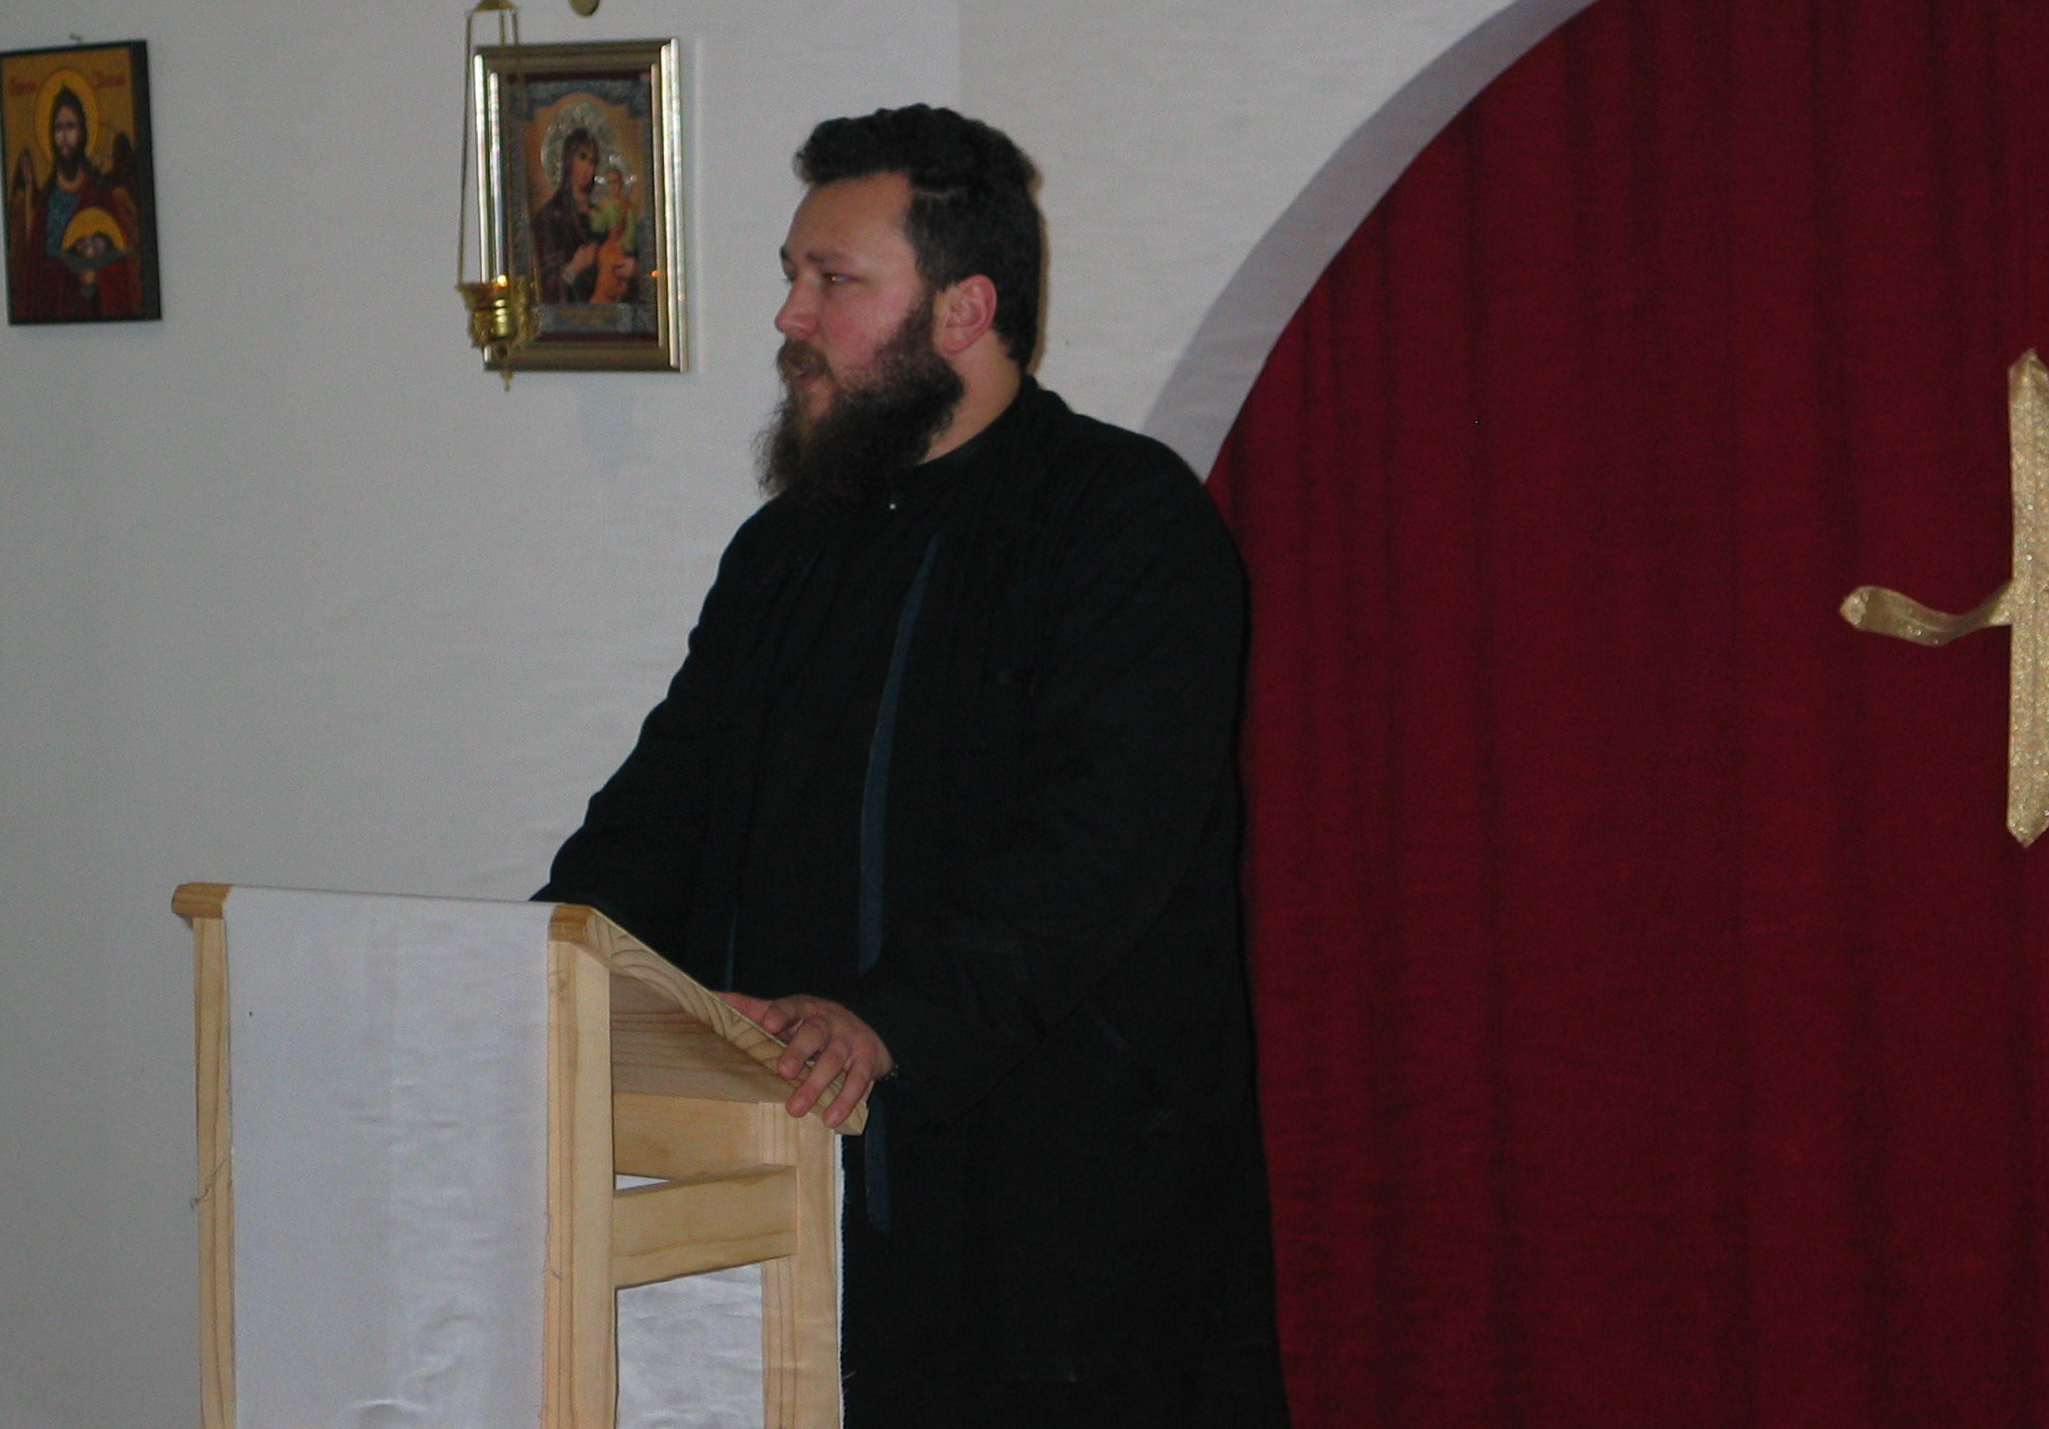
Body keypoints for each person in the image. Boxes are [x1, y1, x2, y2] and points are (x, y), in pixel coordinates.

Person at [540, 104, 1289, 1429]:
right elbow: (666, 803)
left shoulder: (1126, 525)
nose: (790, 316)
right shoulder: (786, 551)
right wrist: (549, 961)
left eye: (834, 280)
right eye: (793, 275)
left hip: (1051, 1228)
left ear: (963, 310)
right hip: (787, 1196)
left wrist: (888, 1018)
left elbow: (1097, 847)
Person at [8, 83, 142, 320]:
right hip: (49, 314)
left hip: (88, 312)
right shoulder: (46, 199)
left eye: (70, 127)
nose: (64, 137)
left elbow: (119, 265)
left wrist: (96, 277)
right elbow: (33, 268)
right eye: (58, 128)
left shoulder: (99, 195)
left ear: (83, 133)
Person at [531, 125, 635, 305]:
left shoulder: (603, 214)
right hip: (570, 317)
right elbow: (542, 285)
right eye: (582, 158)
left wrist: (631, 268)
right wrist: (573, 268)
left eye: (593, 162)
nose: (588, 168)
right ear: (568, 160)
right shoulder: (551, 216)